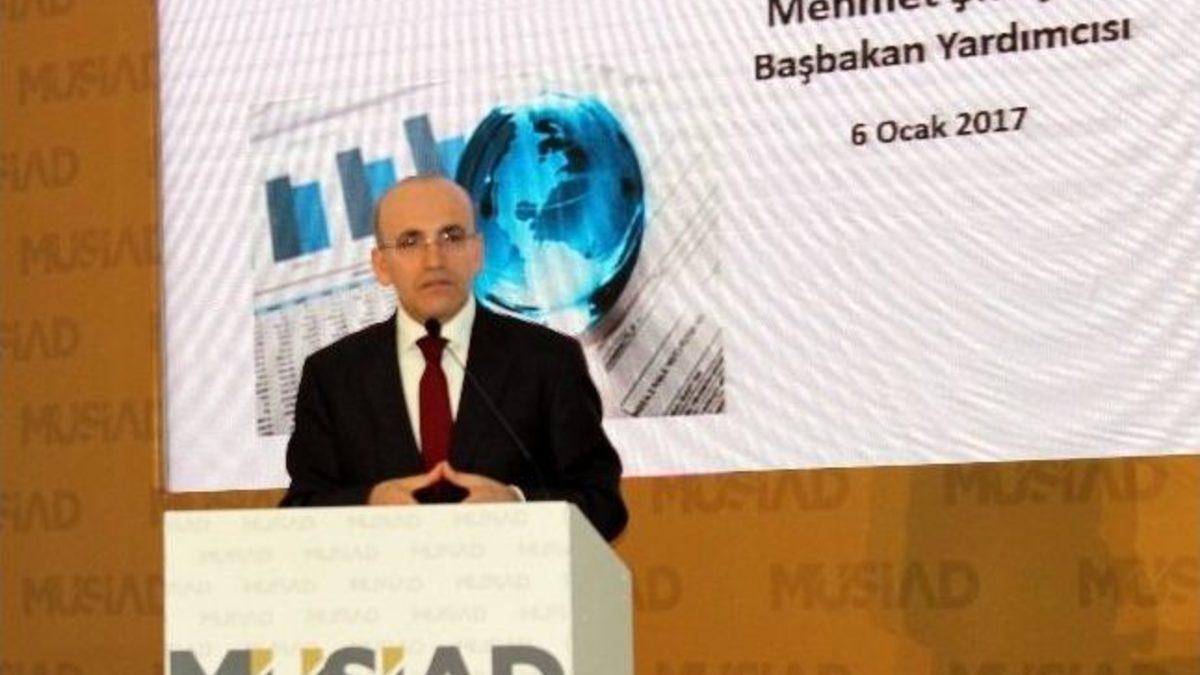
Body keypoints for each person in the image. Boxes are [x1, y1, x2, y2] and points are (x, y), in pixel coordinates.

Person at [280, 175, 628, 541]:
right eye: (410, 241)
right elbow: (301, 509)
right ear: (381, 265)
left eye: (451, 236)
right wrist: (368, 505)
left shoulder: (548, 360)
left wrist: (518, 505)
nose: (434, 260)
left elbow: (603, 505)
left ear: (477, 252)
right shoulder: (333, 375)